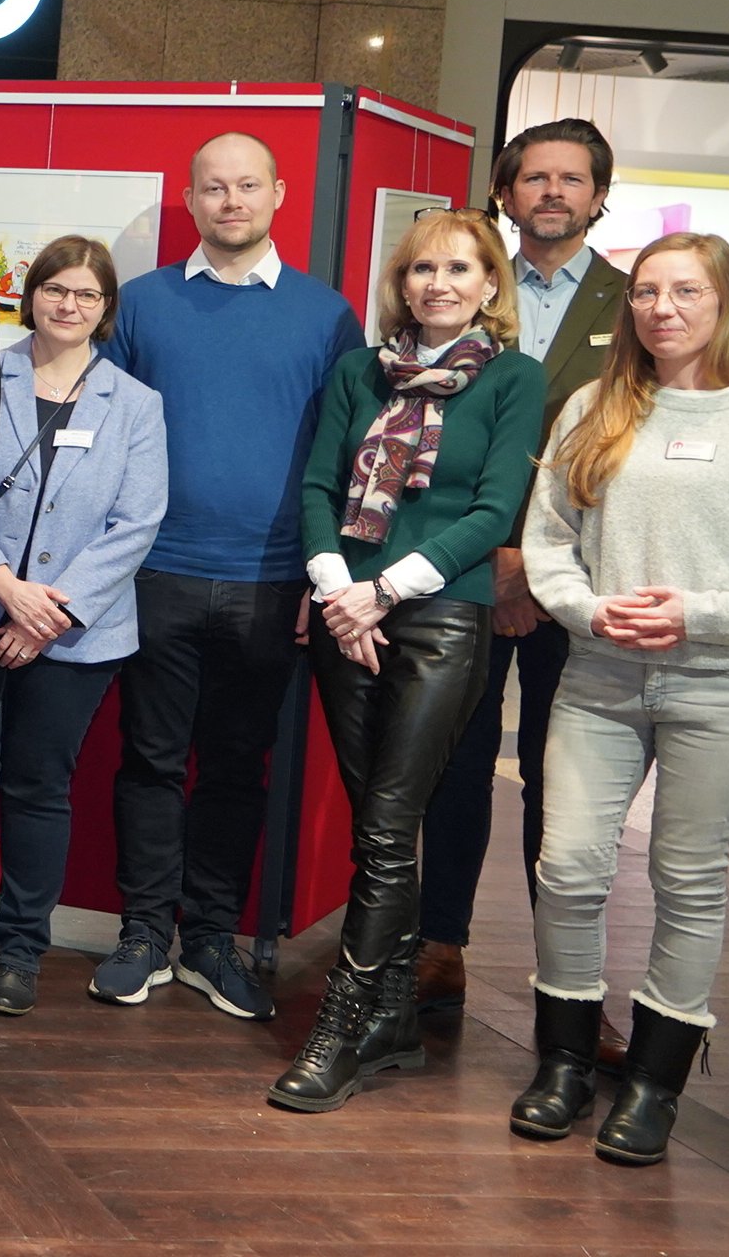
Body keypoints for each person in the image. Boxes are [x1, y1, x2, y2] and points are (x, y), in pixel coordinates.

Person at [514, 232, 729, 1165]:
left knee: (689, 883)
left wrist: (701, 613)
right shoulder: (597, 403)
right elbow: (549, 536)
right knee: (570, 868)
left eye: (685, 291)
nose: (663, 308)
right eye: (648, 292)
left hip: (724, 679)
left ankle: (656, 1084)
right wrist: (587, 607)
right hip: (600, 675)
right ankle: (565, 1064)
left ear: (726, 298)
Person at [268, 211, 547, 1111]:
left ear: (489, 284)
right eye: (423, 267)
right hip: (346, 612)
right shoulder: (360, 370)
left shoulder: (512, 379)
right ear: (403, 280)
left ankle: (341, 1025)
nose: (438, 282)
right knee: (373, 826)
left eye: (459, 268)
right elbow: (319, 484)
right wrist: (334, 587)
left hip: (441, 617)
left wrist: (382, 591)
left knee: (391, 825)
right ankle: (392, 1019)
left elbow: (496, 509)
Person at [91, 131, 362, 1021]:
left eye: (248, 186)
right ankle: (143, 933)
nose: (231, 201)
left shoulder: (327, 317)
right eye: (214, 187)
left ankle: (212, 937)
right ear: (192, 197)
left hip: (273, 582)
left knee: (239, 767)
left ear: (280, 193)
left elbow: (347, 457)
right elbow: (107, 445)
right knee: (151, 760)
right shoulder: (143, 304)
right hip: (154, 570)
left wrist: (321, 587)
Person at [412, 119, 632, 1024]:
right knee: (455, 763)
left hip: (581, 576)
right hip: (464, 566)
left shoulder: (635, 299)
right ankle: (438, 948)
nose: (551, 192)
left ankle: (568, 980)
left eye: (569, 179)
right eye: (533, 177)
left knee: (564, 780)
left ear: (596, 194)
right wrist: (495, 554)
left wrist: (538, 566)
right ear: (505, 193)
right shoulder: (467, 285)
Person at [0, 236, 165, 1018]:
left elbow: (138, 521)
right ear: (31, 295)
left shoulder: (136, 403)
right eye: (55, 289)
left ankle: (21, 948)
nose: (68, 305)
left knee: (37, 790)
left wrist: (49, 609)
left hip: (76, 634)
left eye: (87, 295)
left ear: (105, 309)